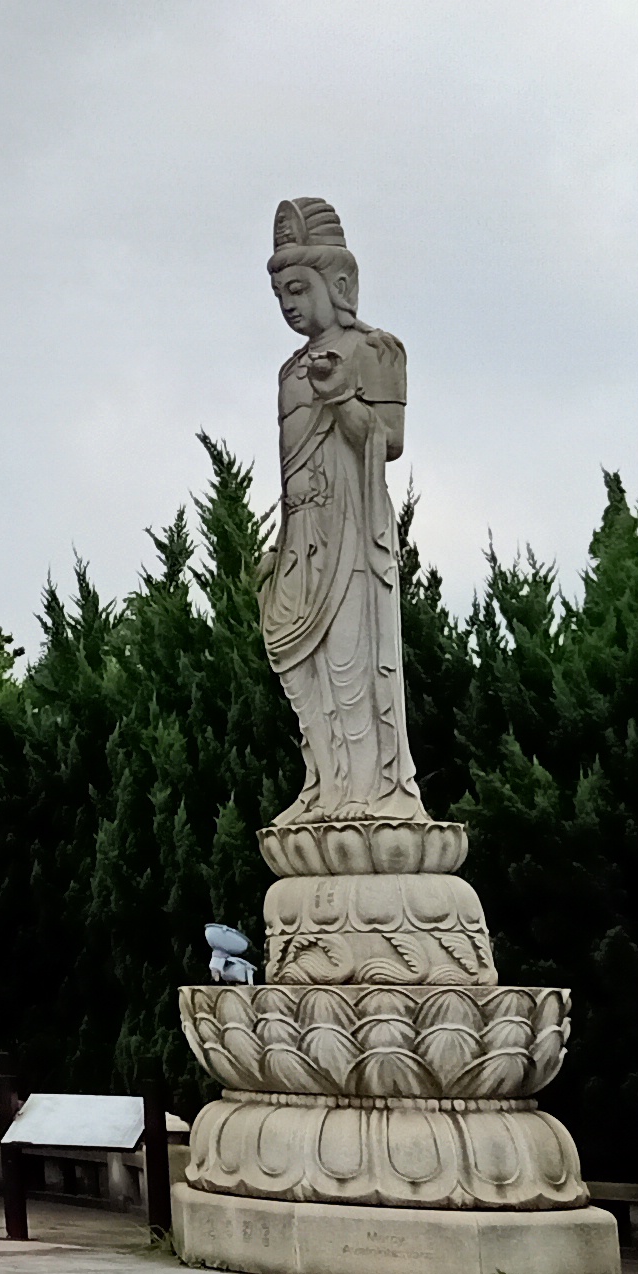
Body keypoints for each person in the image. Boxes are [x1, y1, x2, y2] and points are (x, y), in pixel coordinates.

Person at [257, 197, 423, 822]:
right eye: (280, 295)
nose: (290, 304)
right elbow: (293, 472)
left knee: (352, 667)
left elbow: (389, 441)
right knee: (299, 663)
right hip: (304, 537)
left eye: (299, 287)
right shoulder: (288, 371)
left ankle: (369, 796)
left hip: (352, 534)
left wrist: (341, 397)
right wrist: (279, 545)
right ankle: (323, 783)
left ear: (339, 282)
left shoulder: (375, 349)